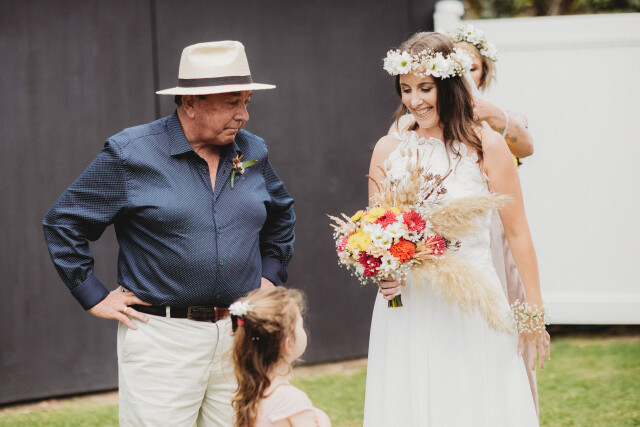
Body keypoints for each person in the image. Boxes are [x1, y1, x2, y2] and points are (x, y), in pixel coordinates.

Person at [43, 40, 295, 426]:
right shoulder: (131, 153)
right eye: (232, 103)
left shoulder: (253, 151)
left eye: (247, 102)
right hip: (161, 340)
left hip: (240, 336)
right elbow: (64, 221)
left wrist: (269, 277)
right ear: (190, 102)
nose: (243, 115)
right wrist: (94, 296)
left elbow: (281, 213)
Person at [364, 32, 549, 426]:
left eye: (425, 88)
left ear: (448, 85)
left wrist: (533, 312)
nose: (415, 100)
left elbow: (518, 232)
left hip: (475, 300)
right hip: (410, 304)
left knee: (477, 400)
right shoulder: (387, 149)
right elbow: (376, 230)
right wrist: (383, 271)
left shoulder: (487, 146)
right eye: (406, 89)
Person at [230, 287, 331, 427]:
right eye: (301, 325)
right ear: (287, 344)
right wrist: (325, 422)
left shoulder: (250, 393)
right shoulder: (292, 401)